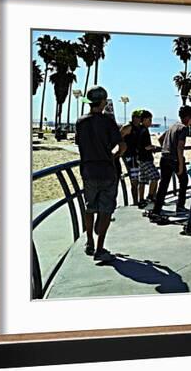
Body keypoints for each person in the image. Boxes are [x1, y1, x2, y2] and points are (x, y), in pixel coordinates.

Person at [75, 86, 126, 262]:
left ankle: (89, 241)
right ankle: (99, 248)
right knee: (105, 210)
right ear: (103, 102)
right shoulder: (108, 122)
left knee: (89, 207)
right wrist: (113, 156)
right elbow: (122, 146)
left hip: (88, 171)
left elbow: (79, 144)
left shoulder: (80, 122)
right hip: (107, 171)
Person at [149, 106, 191, 222]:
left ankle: (156, 210)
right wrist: (180, 164)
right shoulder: (183, 128)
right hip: (175, 159)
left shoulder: (173, 126)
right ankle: (180, 206)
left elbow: (160, 139)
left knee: (163, 185)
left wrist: (166, 148)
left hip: (164, 158)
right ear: (188, 117)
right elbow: (180, 148)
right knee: (184, 181)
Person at [137, 110, 160, 208]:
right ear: (144, 120)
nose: (151, 122)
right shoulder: (144, 131)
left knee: (142, 180)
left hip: (140, 158)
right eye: (149, 119)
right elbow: (146, 146)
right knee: (155, 176)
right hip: (145, 159)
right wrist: (155, 148)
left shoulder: (138, 129)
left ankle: (140, 200)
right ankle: (150, 196)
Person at [120, 109, 143, 205]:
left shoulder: (139, 128)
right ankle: (135, 201)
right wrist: (122, 150)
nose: (139, 120)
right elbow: (119, 137)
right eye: (138, 117)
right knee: (134, 180)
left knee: (137, 179)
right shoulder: (128, 127)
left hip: (137, 156)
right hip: (129, 156)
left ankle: (137, 200)